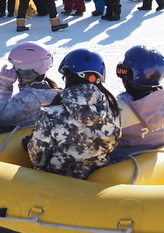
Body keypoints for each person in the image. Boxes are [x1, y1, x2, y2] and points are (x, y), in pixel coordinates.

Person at [24, 49, 121, 179]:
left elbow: (38, 159)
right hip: (99, 179)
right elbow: (112, 145)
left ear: (69, 76)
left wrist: (30, 144)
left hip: (58, 182)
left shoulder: (51, 114)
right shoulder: (113, 110)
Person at [110, 45, 164, 164]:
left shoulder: (120, 107)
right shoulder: (162, 100)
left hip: (125, 166)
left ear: (126, 74)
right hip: (158, 161)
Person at [0, 41, 60, 131]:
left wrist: (5, 87)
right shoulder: (55, 92)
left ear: (26, 72)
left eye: (14, 68)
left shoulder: (25, 100)